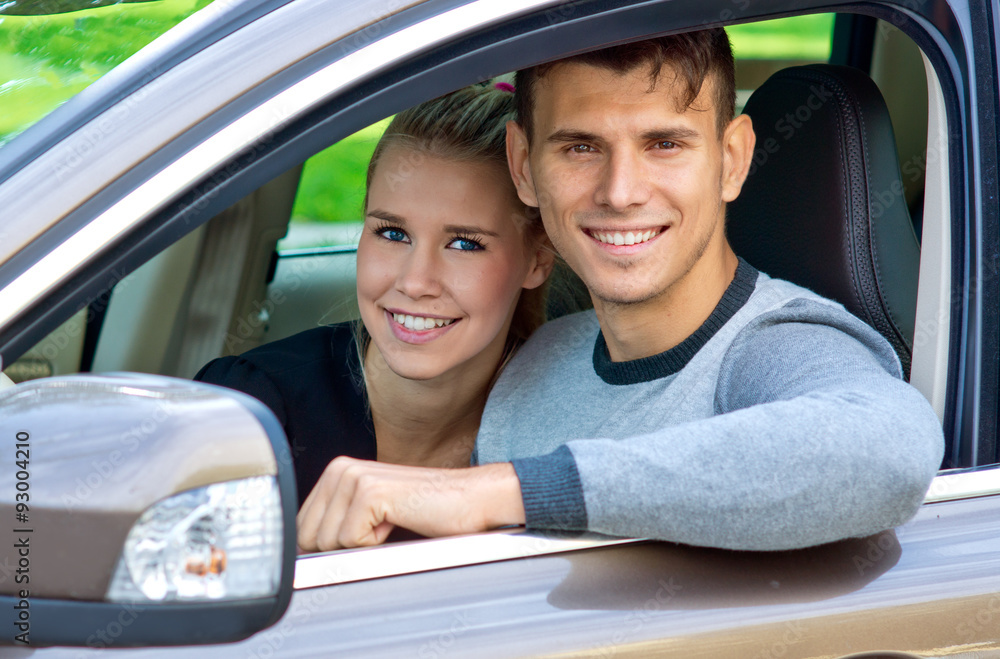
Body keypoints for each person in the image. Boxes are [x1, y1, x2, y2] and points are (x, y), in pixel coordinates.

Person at [294, 29, 944, 553]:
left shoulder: (771, 345)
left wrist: (499, 491)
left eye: (664, 143)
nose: (620, 191)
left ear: (734, 159)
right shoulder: (545, 353)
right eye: (580, 147)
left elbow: (888, 451)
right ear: (524, 166)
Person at [195, 83, 554, 507]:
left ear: (537, 260)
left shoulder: (563, 417)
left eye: (464, 244)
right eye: (393, 233)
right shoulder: (251, 407)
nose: (415, 282)